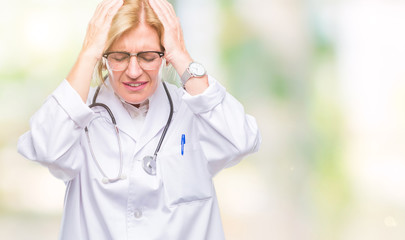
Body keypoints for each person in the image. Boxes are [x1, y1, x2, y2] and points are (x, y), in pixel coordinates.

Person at [17, 0, 261, 239]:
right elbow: (46, 149)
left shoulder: (195, 111)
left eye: (147, 56)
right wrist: (88, 51)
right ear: (103, 56)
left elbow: (241, 141)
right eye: (120, 56)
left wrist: (182, 55)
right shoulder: (77, 114)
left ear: (165, 56)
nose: (133, 71)